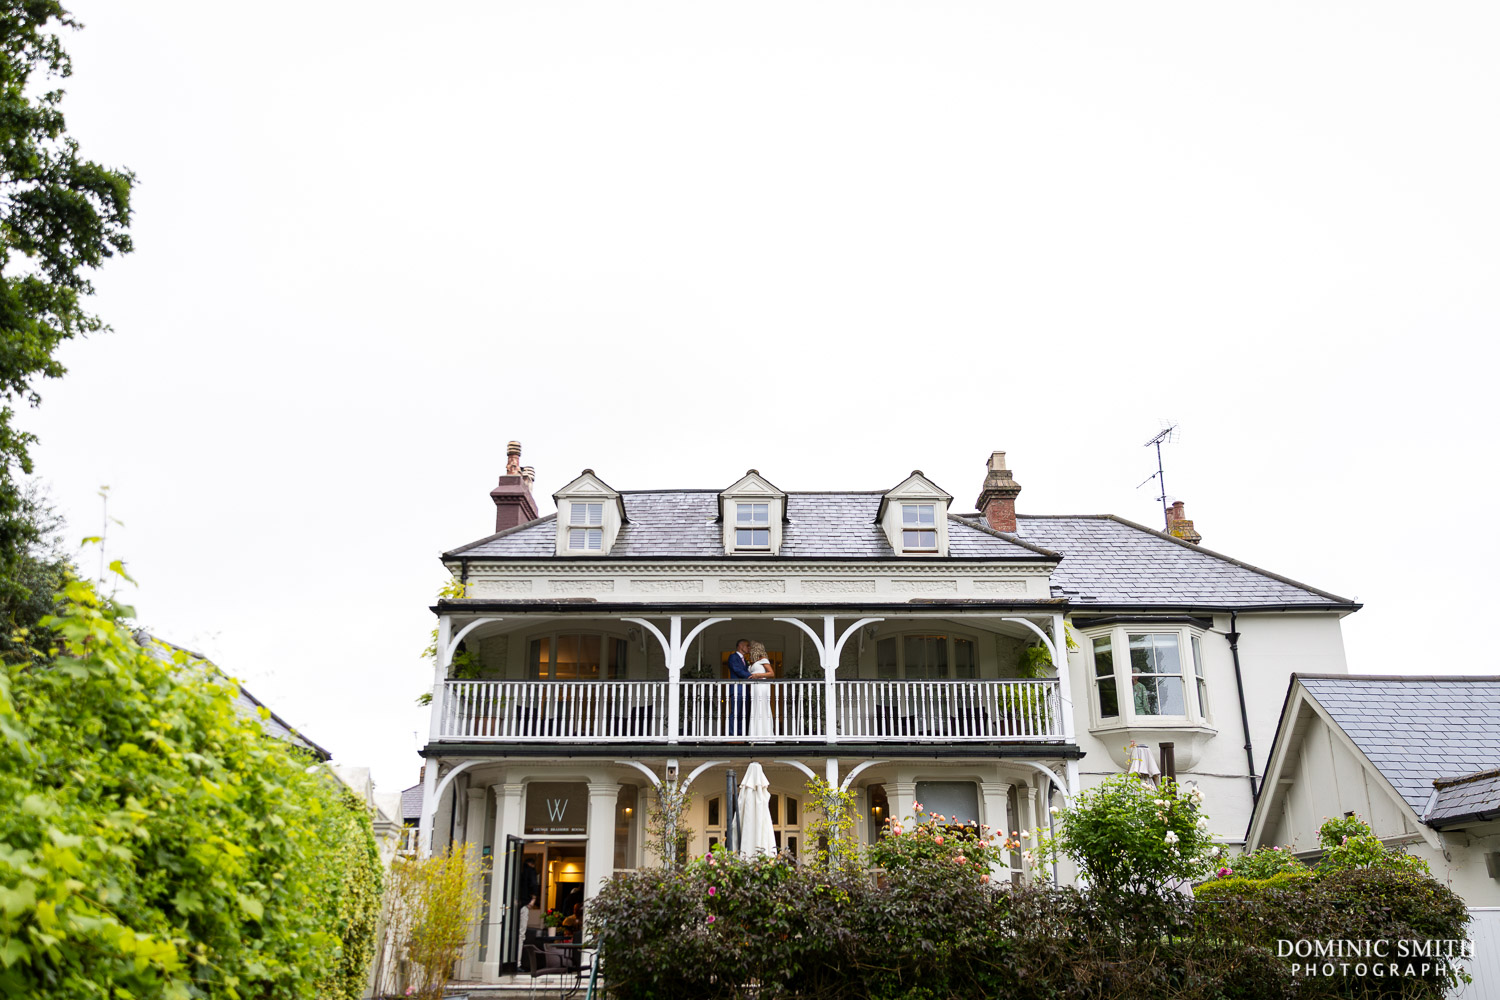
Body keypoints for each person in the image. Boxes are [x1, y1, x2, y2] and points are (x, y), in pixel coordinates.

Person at [746, 641, 775, 740]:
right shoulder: (753, 661)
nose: (749, 649)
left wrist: (758, 675)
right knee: (755, 708)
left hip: (761, 686)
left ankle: (765, 735)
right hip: (754, 687)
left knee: (762, 707)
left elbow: (771, 673)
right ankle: (755, 734)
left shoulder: (763, 659)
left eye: (750, 647)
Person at [727, 638, 752, 736]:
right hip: (737, 689)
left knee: (743, 713)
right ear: (741, 646)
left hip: (745, 690)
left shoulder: (745, 660)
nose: (749, 648)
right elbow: (736, 669)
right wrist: (751, 676)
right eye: (747, 646)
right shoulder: (733, 657)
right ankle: (733, 735)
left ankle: (741, 734)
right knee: (735, 712)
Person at [516, 856, 539, 962]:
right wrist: (533, 900)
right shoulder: (531, 872)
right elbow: (534, 885)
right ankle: (518, 962)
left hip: (516, 905)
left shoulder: (518, 873)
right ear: (532, 864)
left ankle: (513, 961)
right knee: (521, 934)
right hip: (524, 904)